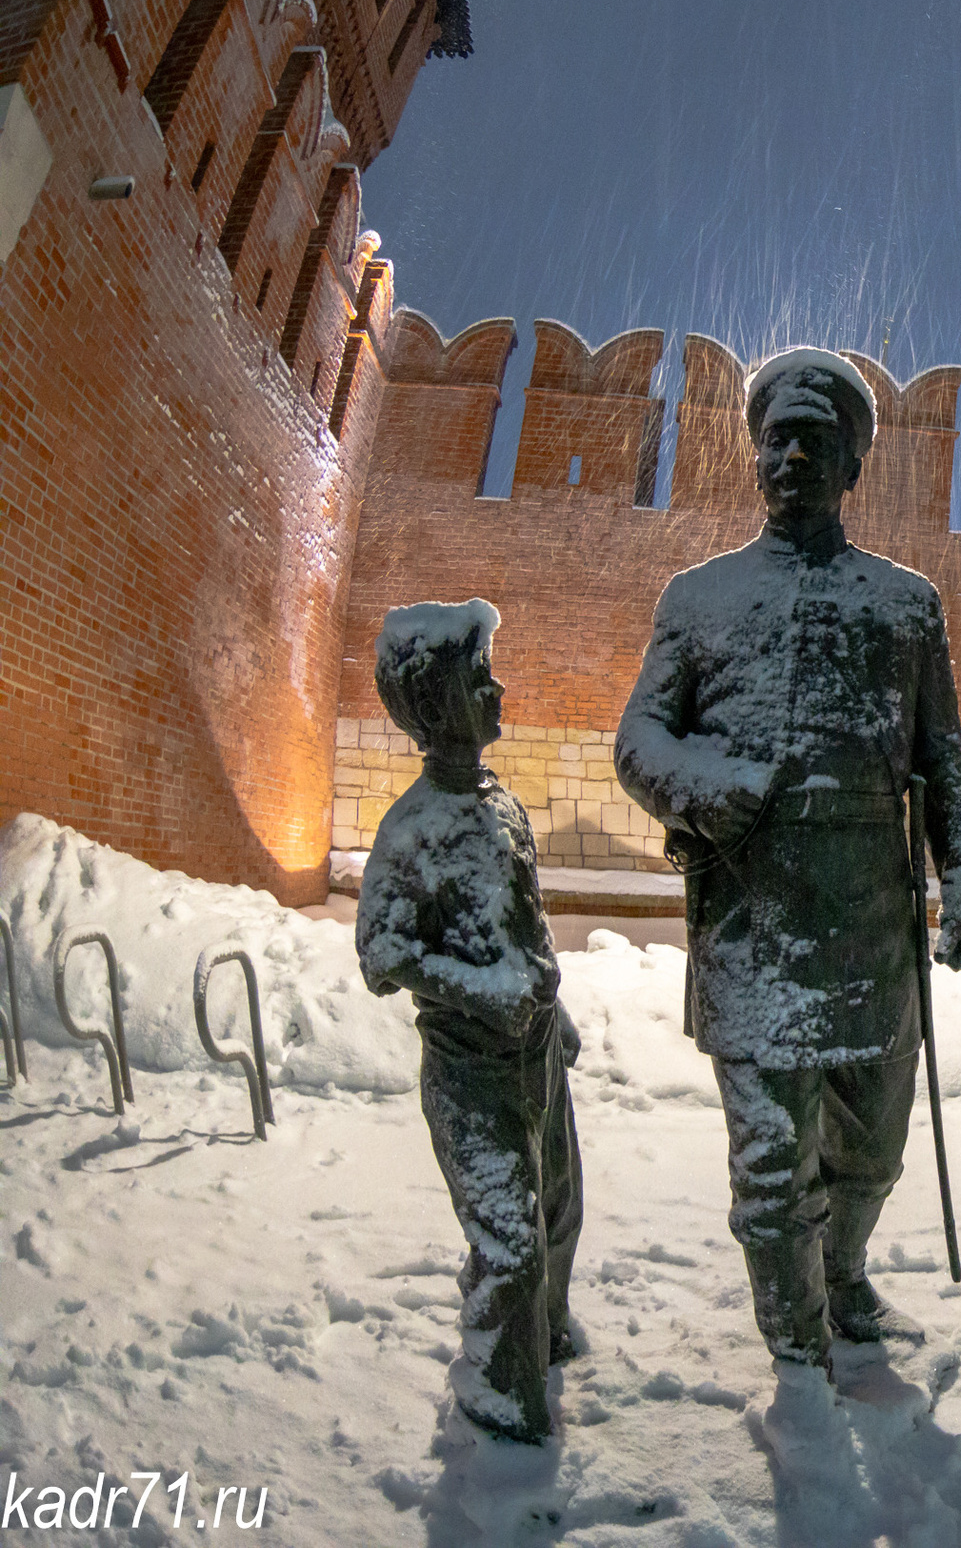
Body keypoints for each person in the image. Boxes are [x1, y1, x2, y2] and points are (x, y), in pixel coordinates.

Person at [616, 348, 961, 1379]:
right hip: (753, 917)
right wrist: (710, 785)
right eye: (776, 438)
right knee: (774, 1171)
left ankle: (845, 1269)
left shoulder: (904, 604)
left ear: (851, 466)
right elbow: (639, 742)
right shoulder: (698, 599)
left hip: (872, 922)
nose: (790, 456)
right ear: (754, 456)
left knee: (868, 1152)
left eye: (814, 442)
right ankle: (794, 1350)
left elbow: (941, 754)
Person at [357, 599, 585, 1444]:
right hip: (468, 1073)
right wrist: (480, 988)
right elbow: (381, 954)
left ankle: (543, 1337)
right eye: (479, 676)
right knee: (510, 1249)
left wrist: (547, 1008)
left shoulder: (504, 806)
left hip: (535, 1057)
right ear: (433, 701)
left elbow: (528, 924)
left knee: (558, 1214)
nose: (497, 688)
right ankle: (500, 1406)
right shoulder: (411, 831)